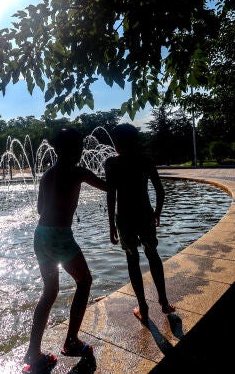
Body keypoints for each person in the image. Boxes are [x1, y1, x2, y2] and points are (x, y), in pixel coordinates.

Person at [24, 127, 107, 373]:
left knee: (49, 291)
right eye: (79, 147)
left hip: (41, 235)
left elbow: (40, 209)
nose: (82, 151)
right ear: (70, 150)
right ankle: (71, 341)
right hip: (60, 235)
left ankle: (33, 351)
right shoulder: (78, 171)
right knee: (85, 281)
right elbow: (108, 186)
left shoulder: (48, 174)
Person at [104, 123, 175, 324]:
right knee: (153, 254)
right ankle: (163, 300)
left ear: (117, 142)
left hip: (124, 217)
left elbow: (111, 196)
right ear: (135, 140)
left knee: (132, 259)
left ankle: (143, 306)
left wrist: (111, 226)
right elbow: (160, 191)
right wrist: (157, 213)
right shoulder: (145, 160)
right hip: (145, 214)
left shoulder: (112, 163)